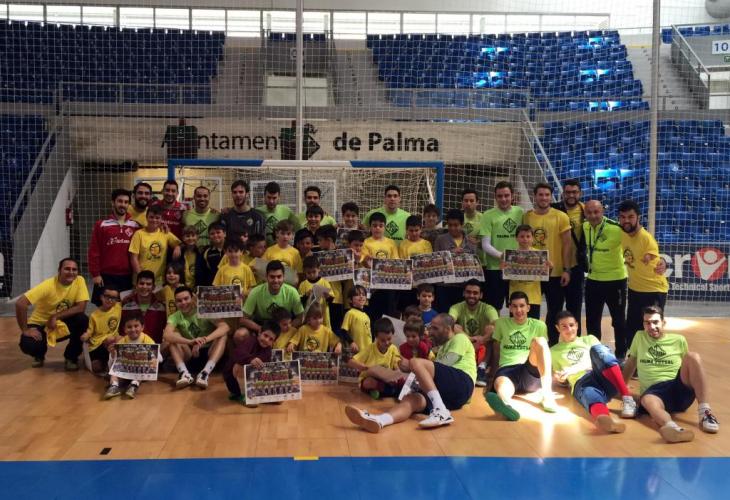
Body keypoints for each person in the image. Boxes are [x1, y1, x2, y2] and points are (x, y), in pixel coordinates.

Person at [345, 313, 475, 432]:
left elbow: (445, 365)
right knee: (411, 400)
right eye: (431, 328)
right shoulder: (441, 349)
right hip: (451, 397)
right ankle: (380, 420)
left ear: (447, 329)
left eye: (435, 328)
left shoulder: (460, 338)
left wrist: (412, 366)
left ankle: (440, 410)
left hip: (463, 383)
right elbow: (437, 374)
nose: (431, 332)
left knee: (415, 362)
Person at [622, 306, 720, 443]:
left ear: (663, 322)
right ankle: (673, 429)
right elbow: (631, 363)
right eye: (647, 323)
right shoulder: (639, 337)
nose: (651, 326)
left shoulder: (679, 340)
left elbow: (689, 367)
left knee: (693, 357)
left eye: (655, 322)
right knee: (647, 400)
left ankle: (705, 413)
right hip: (654, 392)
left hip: (677, 387)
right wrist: (622, 388)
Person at [550, 311, 636, 433]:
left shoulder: (589, 339)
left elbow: (605, 360)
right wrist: (560, 379)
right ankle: (605, 419)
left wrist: (573, 369)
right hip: (581, 382)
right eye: (564, 326)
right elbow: (559, 379)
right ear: (557, 328)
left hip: (603, 375)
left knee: (598, 349)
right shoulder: (553, 351)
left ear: (577, 325)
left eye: (571, 325)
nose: (569, 329)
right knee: (589, 394)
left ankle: (627, 398)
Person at [485, 291, 555, 420]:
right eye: (515, 306)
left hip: (530, 368)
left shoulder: (539, 325)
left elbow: (544, 352)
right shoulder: (500, 323)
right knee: (501, 385)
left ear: (528, 307)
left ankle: (547, 395)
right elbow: (496, 350)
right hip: (507, 370)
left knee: (540, 341)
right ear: (510, 308)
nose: (518, 310)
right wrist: (492, 375)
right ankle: (506, 405)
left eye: (522, 306)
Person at [16, 258, 89, 370]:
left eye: (74, 269)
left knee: (82, 320)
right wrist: (25, 330)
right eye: (67, 269)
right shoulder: (48, 285)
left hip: (59, 322)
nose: (71, 272)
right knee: (29, 344)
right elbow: (21, 303)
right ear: (59, 270)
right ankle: (39, 355)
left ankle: (71, 357)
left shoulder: (79, 280)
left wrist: (55, 316)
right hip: (40, 324)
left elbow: (81, 307)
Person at [523, 183, 572, 345]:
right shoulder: (527, 216)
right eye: (540, 195)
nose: (544, 198)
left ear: (551, 197)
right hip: (533, 273)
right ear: (534, 196)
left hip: (555, 273)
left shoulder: (561, 216)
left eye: (547, 195)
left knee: (554, 311)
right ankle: (532, 343)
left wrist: (567, 270)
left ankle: (552, 343)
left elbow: (567, 244)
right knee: (532, 309)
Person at [618, 200, 669, 352]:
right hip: (635, 289)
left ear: (638, 217)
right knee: (632, 328)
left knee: (651, 327)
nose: (626, 221)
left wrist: (654, 259)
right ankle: (634, 358)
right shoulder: (622, 233)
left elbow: (654, 255)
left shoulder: (646, 237)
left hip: (653, 290)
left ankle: (653, 358)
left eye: (630, 217)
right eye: (623, 217)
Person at [582, 200, 628, 357]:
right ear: (585, 214)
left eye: (596, 212)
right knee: (592, 321)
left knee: (618, 320)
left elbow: (635, 242)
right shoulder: (585, 227)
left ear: (602, 211)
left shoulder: (616, 228)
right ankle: (596, 354)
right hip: (593, 280)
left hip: (616, 281)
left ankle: (621, 354)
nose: (593, 216)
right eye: (589, 212)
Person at [164, 286, 230, 389]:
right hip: (190, 353)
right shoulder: (174, 316)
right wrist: (190, 342)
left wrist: (204, 340)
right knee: (173, 337)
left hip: (210, 352)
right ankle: (184, 373)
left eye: (186, 299)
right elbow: (167, 335)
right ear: (175, 303)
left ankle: (205, 373)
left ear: (192, 298)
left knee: (223, 335)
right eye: (179, 301)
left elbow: (225, 327)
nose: (183, 303)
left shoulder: (205, 310)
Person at [88, 188, 140, 306]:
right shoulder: (101, 225)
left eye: (126, 202)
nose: (123, 205)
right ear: (113, 202)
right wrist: (95, 274)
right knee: (104, 309)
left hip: (127, 276)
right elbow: (94, 251)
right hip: (106, 276)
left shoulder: (135, 226)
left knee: (125, 309)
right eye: (120, 201)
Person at [479, 181, 524, 312]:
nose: (503, 199)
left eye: (506, 195)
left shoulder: (520, 212)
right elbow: (485, 245)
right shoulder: (487, 215)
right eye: (499, 196)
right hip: (495, 268)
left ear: (512, 196)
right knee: (494, 308)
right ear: (495, 197)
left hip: (517, 268)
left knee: (517, 307)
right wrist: (502, 256)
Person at [448, 279, 499, 387]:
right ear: (463, 293)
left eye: (475, 293)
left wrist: (482, 340)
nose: (471, 295)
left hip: (484, 346)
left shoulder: (488, 308)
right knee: (454, 326)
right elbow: (449, 322)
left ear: (481, 295)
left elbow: (497, 324)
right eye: (468, 292)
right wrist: (470, 340)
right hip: (465, 345)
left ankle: (482, 368)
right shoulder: (456, 307)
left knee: (491, 329)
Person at [552, 179, 586, 334]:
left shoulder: (586, 211)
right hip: (556, 267)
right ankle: (553, 342)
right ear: (563, 194)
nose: (571, 195)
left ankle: (575, 341)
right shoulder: (554, 209)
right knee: (554, 309)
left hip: (576, 267)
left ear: (580, 193)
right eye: (568, 192)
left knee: (575, 309)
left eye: (575, 192)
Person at [224, 321, 280, 405]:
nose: (266, 340)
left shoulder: (268, 350)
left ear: (273, 342)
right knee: (239, 366)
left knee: (279, 400)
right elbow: (236, 353)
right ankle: (245, 395)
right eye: (265, 335)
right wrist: (250, 359)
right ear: (260, 332)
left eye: (271, 339)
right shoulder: (250, 341)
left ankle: (256, 395)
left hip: (253, 382)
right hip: (235, 381)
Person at [103, 311, 157, 400]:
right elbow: (112, 365)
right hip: (125, 371)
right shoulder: (122, 342)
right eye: (129, 327)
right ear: (124, 329)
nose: (133, 329)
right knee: (114, 371)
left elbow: (159, 358)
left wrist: (149, 356)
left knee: (141, 367)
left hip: (140, 371)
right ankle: (114, 386)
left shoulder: (147, 340)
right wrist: (112, 354)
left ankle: (134, 385)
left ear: (142, 327)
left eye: (136, 326)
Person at [240, 261, 304, 334]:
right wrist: (260, 329)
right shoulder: (255, 292)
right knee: (240, 334)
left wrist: (287, 327)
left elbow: (300, 318)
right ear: (266, 277)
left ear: (283, 277)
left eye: (279, 277)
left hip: (285, 327)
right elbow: (243, 319)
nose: (276, 280)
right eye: (272, 277)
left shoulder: (292, 292)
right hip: (262, 325)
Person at [347, 317, 403, 400]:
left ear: (393, 335)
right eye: (382, 340)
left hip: (386, 380)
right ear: (376, 337)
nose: (387, 342)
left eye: (389, 339)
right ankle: (389, 391)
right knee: (369, 382)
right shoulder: (370, 348)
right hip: (371, 380)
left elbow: (396, 364)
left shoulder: (393, 348)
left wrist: (396, 374)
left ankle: (384, 391)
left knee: (400, 380)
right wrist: (363, 366)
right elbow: (351, 361)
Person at [434, 209, 477, 311]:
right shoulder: (440, 239)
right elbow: (435, 262)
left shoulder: (471, 242)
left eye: (456, 225)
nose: (453, 228)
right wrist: (450, 253)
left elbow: (474, 265)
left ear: (462, 224)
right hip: (444, 286)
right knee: (444, 314)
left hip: (463, 286)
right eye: (450, 225)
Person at [128, 204, 182, 285]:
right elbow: (133, 258)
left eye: (157, 218)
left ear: (161, 219)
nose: (154, 220)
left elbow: (179, 243)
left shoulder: (165, 233)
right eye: (151, 217)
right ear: (146, 217)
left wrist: (177, 247)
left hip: (159, 281)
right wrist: (141, 277)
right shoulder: (138, 234)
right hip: (141, 281)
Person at [362, 212, 400, 319]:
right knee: (373, 313)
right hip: (372, 285)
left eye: (380, 225)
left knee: (388, 313)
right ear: (370, 227)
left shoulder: (391, 243)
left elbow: (396, 261)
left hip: (388, 284)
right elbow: (365, 262)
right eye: (374, 226)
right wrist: (368, 262)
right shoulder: (366, 242)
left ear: (385, 227)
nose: (377, 228)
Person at [506, 224, 547, 319]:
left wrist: (550, 268)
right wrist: (503, 269)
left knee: (533, 324)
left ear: (532, 238)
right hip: (515, 297)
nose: (525, 239)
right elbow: (505, 278)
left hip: (534, 298)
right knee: (515, 324)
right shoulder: (510, 255)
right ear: (516, 238)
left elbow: (545, 277)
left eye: (528, 236)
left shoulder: (539, 255)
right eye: (522, 236)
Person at [81, 286, 122, 373]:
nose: (110, 300)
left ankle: (109, 363)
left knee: (118, 338)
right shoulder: (94, 315)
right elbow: (90, 330)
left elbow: (128, 299)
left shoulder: (118, 307)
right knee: (96, 368)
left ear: (117, 300)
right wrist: (86, 335)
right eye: (107, 296)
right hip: (97, 345)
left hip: (112, 342)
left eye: (113, 298)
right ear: (101, 297)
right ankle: (104, 362)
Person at [121, 270, 167, 343]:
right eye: (141, 283)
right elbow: (121, 330)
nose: (144, 287)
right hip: (130, 346)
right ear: (136, 285)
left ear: (153, 287)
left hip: (154, 346)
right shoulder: (126, 304)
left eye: (148, 284)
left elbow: (166, 329)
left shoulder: (161, 307)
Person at [220, 180, 266, 245]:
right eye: (234, 192)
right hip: (231, 251)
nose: (237, 195)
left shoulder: (258, 217)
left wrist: (248, 243)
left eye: (241, 192)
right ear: (232, 194)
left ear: (247, 194)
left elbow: (261, 243)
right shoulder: (225, 216)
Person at [257, 181, 300, 245]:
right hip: (264, 250)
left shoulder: (287, 211)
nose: (271, 201)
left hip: (283, 249)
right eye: (269, 197)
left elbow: (299, 230)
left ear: (279, 197)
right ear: (264, 196)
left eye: (274, 198)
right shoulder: (257, 212)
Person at [299, 255, 334, 328]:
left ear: (319, 269)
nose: (312, 275)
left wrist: (327, 296)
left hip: (323, 316)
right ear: (305, 272)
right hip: (309, 318)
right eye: (309, 273)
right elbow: (300, 302)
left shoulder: (324, 282)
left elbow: (331, 300)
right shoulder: (303, 284)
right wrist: (306, 295)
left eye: (314, 272)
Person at [339, 285, 371, 352]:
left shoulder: (367, 316)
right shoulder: (350, 313)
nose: (361, 296)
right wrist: (351, 342)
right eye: (357, 295)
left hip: (367, 351)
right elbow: (343, 331)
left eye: (363, 294)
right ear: (350, 300)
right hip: (356, 351)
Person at [195, 222, 226, 286]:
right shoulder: (206, 252)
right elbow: (201, 273)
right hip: (213, 287)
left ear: (224, 234)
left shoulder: (234, 250)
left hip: (231, 285)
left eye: (218, 232)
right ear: (209, 236)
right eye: (212, 234)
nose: (215, 235)